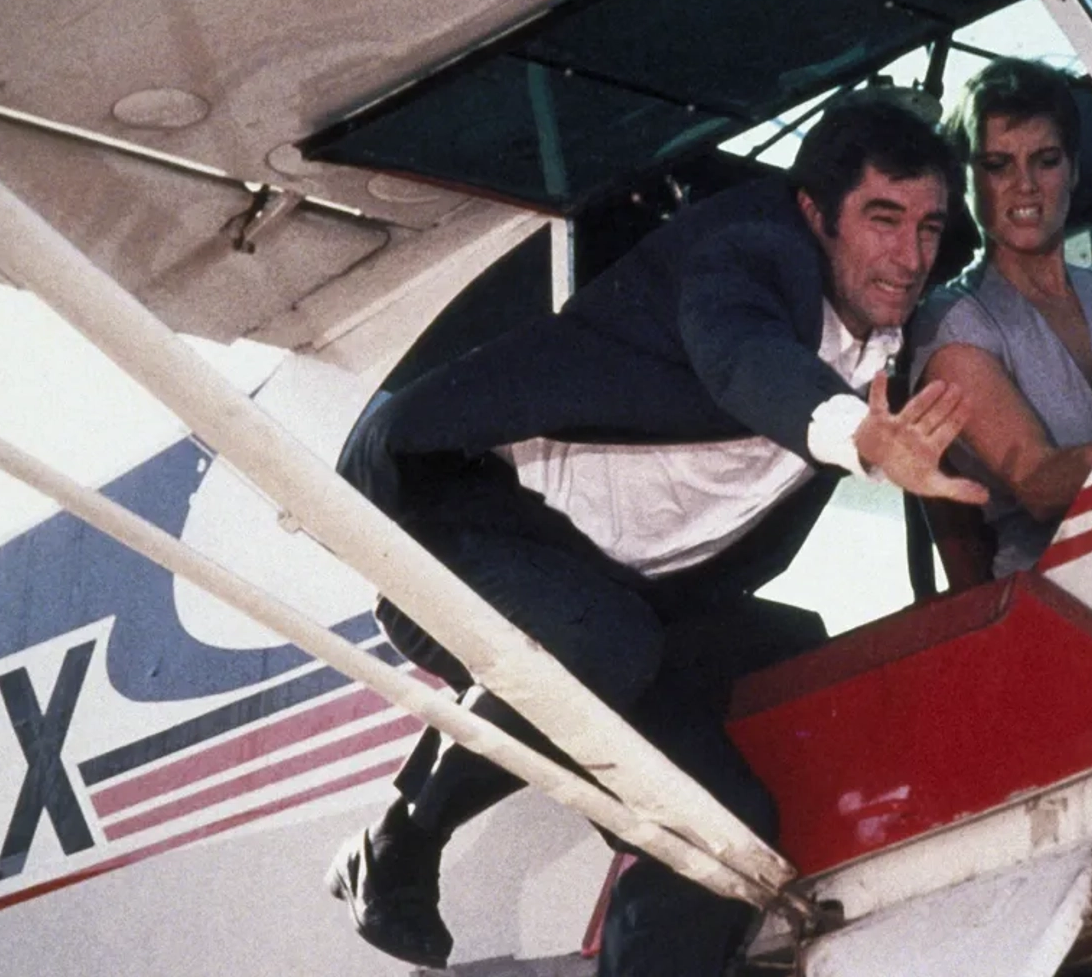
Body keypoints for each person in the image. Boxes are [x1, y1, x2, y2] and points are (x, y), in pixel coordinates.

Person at [326, 92, 985, 975]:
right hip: (458, 529)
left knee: (727, 835)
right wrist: (857, 437)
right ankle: (405, 838)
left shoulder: (894, 341)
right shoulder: (746, 255)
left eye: (930, 229)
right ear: (813, 214)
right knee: (606, 642)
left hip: (618, 597)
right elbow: (742, 356)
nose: (909, 258)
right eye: (882, 219)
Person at [910, 59, 1092, 588]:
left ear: (1075, 169)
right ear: (963, 180)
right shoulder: (951, 321)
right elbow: (1038, 482)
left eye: (1046, 161)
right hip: (1066, 591)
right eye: (997, 165)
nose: (1025, 186)